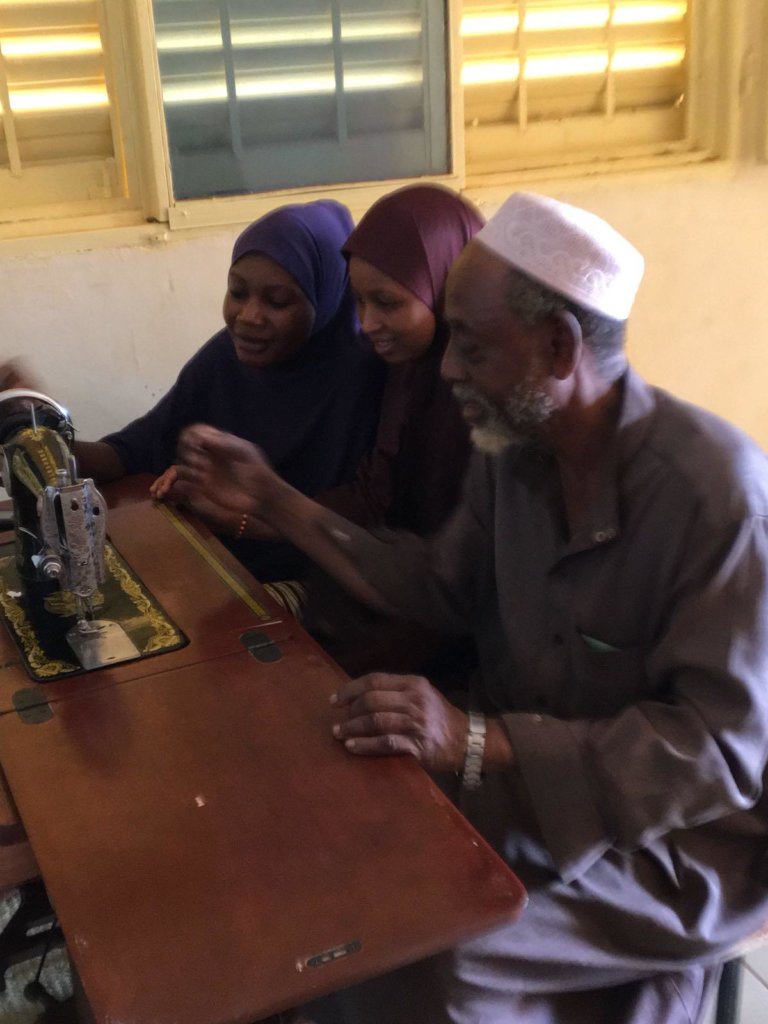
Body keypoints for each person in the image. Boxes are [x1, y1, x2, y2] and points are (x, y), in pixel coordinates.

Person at [174, 191, 768, 1023]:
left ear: (560, 348)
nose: (447, 368)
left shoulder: (716, 497)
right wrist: (273, 499)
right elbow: (438, 586)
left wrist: (477, 740)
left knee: (428, 953)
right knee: (317, 840)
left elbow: (716, 755)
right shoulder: (516, 452)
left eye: (475, 348)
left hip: (675, 843)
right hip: (528, 782)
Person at [74, 200, 384, 582]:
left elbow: (362, 527)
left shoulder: (366, 376)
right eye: (237, 292)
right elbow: (133, 449)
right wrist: (42, 437)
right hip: (224, 564)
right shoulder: (226, 358)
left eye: (277, 301)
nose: (248, 316)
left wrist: (234, 518)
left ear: (326, 295)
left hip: (322, 589)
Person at [306, 184, 483, 674]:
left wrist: (268, 504)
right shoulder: (404, 371)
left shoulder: (490, 398)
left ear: (448, 283)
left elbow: (472, 579)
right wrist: (253, 508)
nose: (367, 323)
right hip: (401, 590)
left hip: (465, 630)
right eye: (359, 303)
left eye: (386, 302)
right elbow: (375, 497)